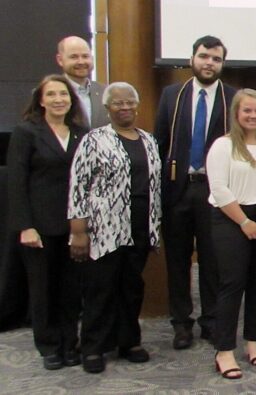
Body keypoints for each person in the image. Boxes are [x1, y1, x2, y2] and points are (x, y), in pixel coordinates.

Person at [68, 82, 162, 373]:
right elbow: (78, 187)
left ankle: (129, 341)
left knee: (132, 287)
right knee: (101, 288)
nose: (125, 108)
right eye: (118, 103)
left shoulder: (148, 140)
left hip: (140, 225)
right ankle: (94, 347)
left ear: (137, 105)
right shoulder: (94, 140)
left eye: (130, 102)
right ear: (107, 108)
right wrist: (78, 230)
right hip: (104, 229)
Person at [154, 35, 237, 349]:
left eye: (216, 59)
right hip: (178, 190)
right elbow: (160, 144)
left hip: (215, 192)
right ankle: (181, 323)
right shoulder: (172, 95)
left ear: (222, 64)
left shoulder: (233, 97)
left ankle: (211, 321)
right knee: (177, 262)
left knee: (213, 261)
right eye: (204, 56)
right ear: (192, 59)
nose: (209, 63)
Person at [7, 75, 88, 370]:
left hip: (74, 226)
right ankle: (49, 345)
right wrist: (25, 226)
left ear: (71, 99)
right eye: (51, 95)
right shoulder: (27, 132)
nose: (58, 100)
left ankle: (70, 343)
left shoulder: (81, 133)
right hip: (39, 227)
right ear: (41, 100)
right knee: (43, 289)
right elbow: (16, 181)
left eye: (63, 94)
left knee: (71, 289)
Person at [207, 89, 256, 379]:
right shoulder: (223, 146)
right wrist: (244, 222)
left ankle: (253, 341)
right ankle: (224, 350)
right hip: (231, 219)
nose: (253, 116)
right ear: (236, 114)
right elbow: (219, 189)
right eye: (247, 111)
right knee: (232, 283)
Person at [55, 36, 109, 129]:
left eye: (85, 56)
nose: (81, 62)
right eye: (74, 57)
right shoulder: (47, 95)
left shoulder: (106, 93)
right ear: (60, 60)